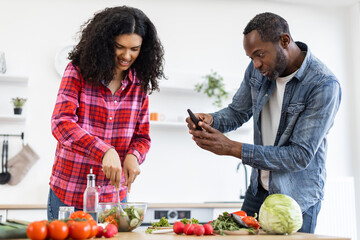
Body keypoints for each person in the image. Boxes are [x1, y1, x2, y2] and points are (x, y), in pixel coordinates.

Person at [186, 12, 341, 233]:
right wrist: (212, 120)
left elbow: (300, 155)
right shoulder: (258, 70)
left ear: (284, 41)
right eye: (251, 58)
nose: (256, 64)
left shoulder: (323, 85)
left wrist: (232, 148)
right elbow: (238, 111)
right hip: (258, 191)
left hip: (296, 200)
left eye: (260, 55)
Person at [48, 6, 165, 220]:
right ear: (104, 42)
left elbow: (142, 136)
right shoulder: (77, 71)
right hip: (70, 195)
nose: (126, 55)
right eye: (119, 47)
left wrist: (133, 155)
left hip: (114, 201)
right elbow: (61, 123)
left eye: (134, 49)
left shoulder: (139, 84)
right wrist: (103, 150)